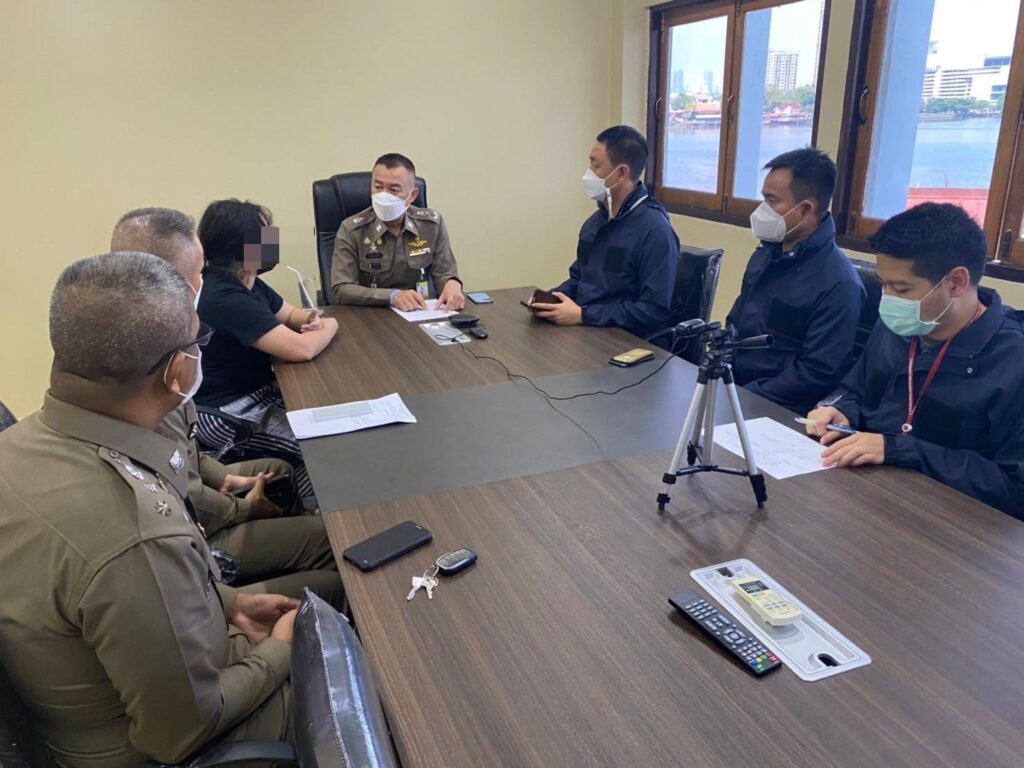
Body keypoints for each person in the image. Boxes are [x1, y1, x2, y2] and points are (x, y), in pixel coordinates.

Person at [0, 252, 297, 766]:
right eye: (197, 343)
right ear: (178, 370)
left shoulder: (21, 442)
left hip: (128, 683)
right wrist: (282, 652)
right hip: (163, 743)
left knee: (326, 599)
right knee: (371, 666)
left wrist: (230, 604)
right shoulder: (133, 535)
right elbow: (180, 731)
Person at [111, 207, 342, 603]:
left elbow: (185, 458)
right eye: (195, 271)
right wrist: (242, 509)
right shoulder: (214, 302)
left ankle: (310, 518)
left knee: (302, 449)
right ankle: (328, 525)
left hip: (217, 448)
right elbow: (178, 485)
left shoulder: (246, 286)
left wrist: (222, 480)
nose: (200, 281)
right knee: (311, 444)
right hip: (224, 420)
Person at [805, 203, 1024, 521]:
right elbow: (855, 390)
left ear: (956, 282)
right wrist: (840, 410)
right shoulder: (900, 324)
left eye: (901, 288)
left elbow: (1015, 488)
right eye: (883, 283)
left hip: (952, 525)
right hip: (867, 498)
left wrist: (900, 450)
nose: (888, 299)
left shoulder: (1012, 360)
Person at [195, 199, 338, 508]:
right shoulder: (223, 296)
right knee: (316, 446)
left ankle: (307, 504)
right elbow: (302, 349)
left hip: (257, 393)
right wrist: (330, 324)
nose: (272, 240)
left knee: (328, 426)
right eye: (264, 235)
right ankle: (315, 516)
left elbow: (294, 316)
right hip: (228, 409)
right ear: (238, 247)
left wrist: (312, 320)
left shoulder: (250, 282)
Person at [725, 148, 865, 414]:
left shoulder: (839, 284)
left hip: (781, 408)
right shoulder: (766, 253)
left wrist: (744, 396)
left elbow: (817, 373)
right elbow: (736, 322)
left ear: (805, 210)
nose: (762, 210)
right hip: (738, 390)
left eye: (772, 201)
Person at [533, 125, 678, 338]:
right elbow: (580, 280)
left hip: (626, 342)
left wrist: (584, 315)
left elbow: (653, 311)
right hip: (587, 331)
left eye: (596, 166)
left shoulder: (655, 231)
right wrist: (552, 300)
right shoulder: (595, 223)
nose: (588, 174)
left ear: (621, 173)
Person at [331, 153, 464, 310]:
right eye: (378, 187)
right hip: (371, 315)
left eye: (393, 190)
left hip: (420, 311)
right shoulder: (352, 229)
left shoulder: (431, 225)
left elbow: (445, 273)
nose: (383, 195)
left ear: (412, 195)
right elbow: (341, 288)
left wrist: (452, 284)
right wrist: (392, 296)